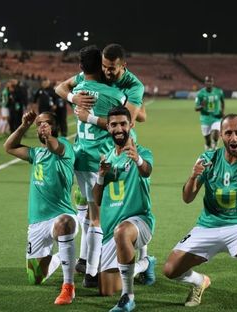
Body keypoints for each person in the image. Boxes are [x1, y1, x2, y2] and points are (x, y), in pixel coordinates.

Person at [163, 114, 237, 312]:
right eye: (228, 133)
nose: (234, 138)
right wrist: (193, 177)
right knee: (170, 270)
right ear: (221, 135)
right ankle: (200, 281)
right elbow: (187, 198)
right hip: (207, 226)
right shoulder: (208, 159)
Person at [55, 43, 151, 276]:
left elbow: (130, 121)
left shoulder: (132, 85)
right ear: (100, 65)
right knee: (97, 211)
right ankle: (90, 263)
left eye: (112, 69)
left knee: (126, 205)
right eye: (105, 67)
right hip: (102, 155)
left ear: (123, 66)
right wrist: (73, 97)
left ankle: (144, 258)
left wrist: (88, 117)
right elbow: (61, 87)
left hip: (123, 152)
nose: (108, 72)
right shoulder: (110, 89)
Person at [3, 110, 78, 305]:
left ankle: (68, 287)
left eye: (47, 123)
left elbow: (55, 147)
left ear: (55, 127)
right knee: (35, 278)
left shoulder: (66, 149)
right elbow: (9, 147)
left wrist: (49, 136)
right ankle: (64, 257)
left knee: (64, 223)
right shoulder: (36, 154)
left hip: (61, 217)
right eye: (39, 124)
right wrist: (24, 125)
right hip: (36, 223)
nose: (42, 126)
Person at [71, 45, 127, 287]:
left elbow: (63, 88)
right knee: (98, 218)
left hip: (80, 158)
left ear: (82, 68)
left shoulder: (78, 90)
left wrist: (72, 97)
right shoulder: (113, 95)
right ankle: (92, 273)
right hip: (100, 162)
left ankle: (83, 260)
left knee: (86, 211)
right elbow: (125, 120)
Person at [93, 106, 156, 311]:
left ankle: (128, 297)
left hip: (139, 223)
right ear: (108, 129)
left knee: (123, 232)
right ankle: (146, 263)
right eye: (113, 125)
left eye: (122, 123)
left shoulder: (142, 152)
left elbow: (146, 171)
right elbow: (97, 199)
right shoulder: (106, 159)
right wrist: (101, 176)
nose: (118, 128)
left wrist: (137, 159)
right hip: (111, 230)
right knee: (105, 289)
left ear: (131, 125)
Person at [195, 75, 225, 151]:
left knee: (216, 134)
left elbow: (222, 101)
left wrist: (222, 111)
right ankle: (208, 148)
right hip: (205, 119)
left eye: (210, 81)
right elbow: (196, 108)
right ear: (205, 82)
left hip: (216, 117)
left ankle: (214, 148)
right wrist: (201, 106)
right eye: (207, 81)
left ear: (213, 82)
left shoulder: (218, 92)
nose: (209, 83)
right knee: (208, 141)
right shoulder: (200, 93)